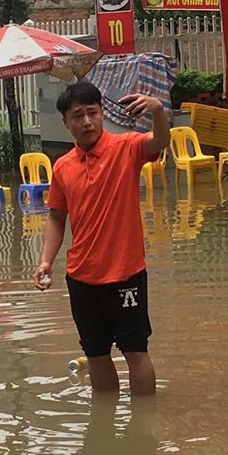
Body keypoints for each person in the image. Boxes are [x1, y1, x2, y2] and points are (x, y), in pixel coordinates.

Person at [33, 82, 170, 396]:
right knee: (95, 355)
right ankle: (103, 428)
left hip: (126, 274)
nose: (87, 122)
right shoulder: (62, 167)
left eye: (92, 113)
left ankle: (142, 428)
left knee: (135, 351)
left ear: (103, 113)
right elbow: (56, 217)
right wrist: (45, 261)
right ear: (66, 123)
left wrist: (158, 111)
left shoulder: (127, 148)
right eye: (77, 116)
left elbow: (161, 140)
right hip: (81, 277)